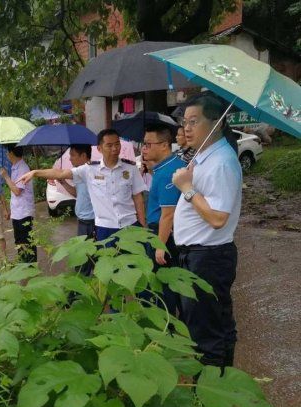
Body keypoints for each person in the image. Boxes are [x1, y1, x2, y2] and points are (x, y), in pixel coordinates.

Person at [171, 93, 242, 370]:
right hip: (200, 255)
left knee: (206, 332)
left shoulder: (222, 162)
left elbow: (217, 218)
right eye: (185, 122)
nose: (186, 128)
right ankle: (222, 383)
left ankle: (209, 395)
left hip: (208, 258)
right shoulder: (205, 157)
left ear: (217, 123)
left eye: (194, 121)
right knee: (215, 323)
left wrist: (187, 189)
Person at [18, 129, 147, 245]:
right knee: (107, 267)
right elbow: (61, 173)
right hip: (105, 228)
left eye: (117, 144)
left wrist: (142, 225)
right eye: (109, 145)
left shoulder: (130, 169)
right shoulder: (89, 170)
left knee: (132, 267)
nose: (114, 149)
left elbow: (138, 198)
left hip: (130, 225)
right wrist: (35, 172)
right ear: (99, 149)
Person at [141, 124, 187, 315]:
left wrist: (160, 245)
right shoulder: (166, 166)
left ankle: (168, 328)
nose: (144, 149)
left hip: (163, 233)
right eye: (143, 144)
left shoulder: (169, 172)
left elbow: (168, 214)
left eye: (148, 144)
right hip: (163, 231)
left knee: (164, 283)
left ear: (164, 145)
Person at [56, 144, 95, 275]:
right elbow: (78, 194)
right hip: (83, 220)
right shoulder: (80, 172)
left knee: (83, 256)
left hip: (90, 221)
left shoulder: (90, 172)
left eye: (72, 155)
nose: (70, 158)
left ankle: (80, 288)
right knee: (86, 255)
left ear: (83, 156)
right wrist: (63, 183)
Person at [0, 146, 37, 263]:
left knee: (26, 240)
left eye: (7, 152)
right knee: (19, 240)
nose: (6, 155)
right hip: (18, 212)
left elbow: (17, 191)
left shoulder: (22, 168)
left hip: (24, 212)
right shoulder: (15, 167)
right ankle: (24, 264)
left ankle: (30, 265)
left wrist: (6, 177)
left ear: (11, 152)